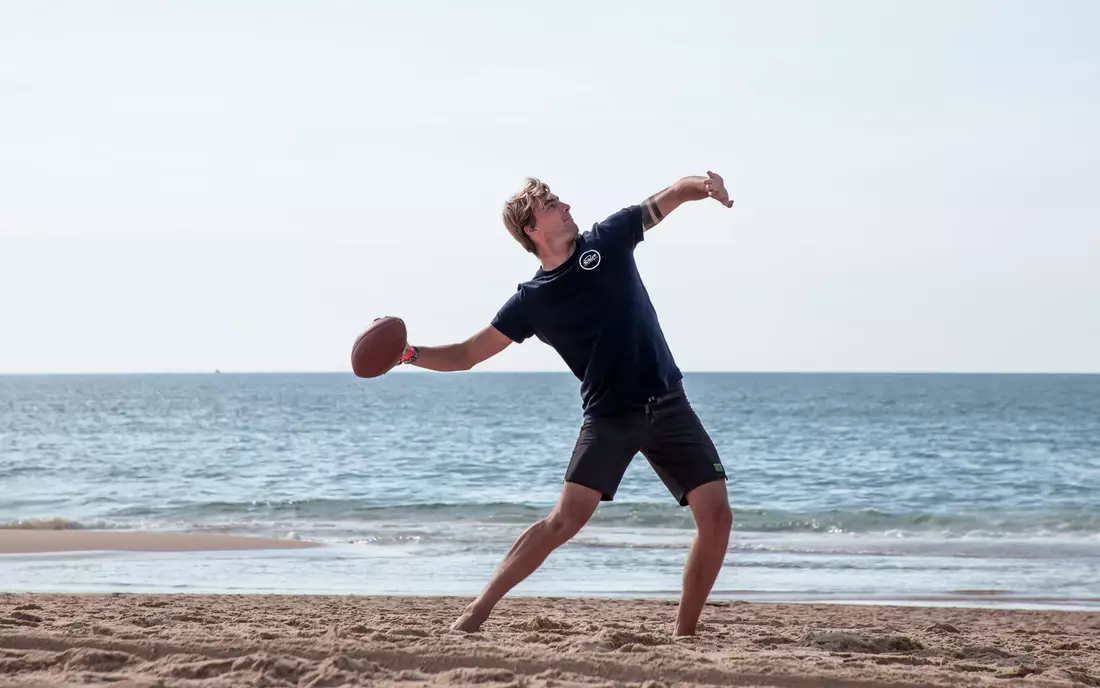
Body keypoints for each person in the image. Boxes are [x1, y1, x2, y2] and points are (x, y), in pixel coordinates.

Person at [396, 172, 735, 636]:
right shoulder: (532, 300)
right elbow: (465, 354)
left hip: (670, 403)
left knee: (717, 516)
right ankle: (477, 612)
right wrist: (408, 354)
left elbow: (665, 198)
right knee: (563, 522)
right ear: (531, 229)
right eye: (553, 204)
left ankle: (684, 632)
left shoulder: (608, 239)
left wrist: (702, 184)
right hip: (610, 417)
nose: (567, 206)